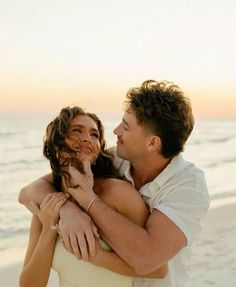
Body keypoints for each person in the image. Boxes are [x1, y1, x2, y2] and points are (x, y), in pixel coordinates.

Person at [19, 79, 210, 287]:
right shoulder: (115, 158)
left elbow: (150, 262)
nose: (115, 131)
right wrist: (66, 211)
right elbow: (29, 191)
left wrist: (89, 204)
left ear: (152, 142)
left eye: (126, 127)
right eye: (76, 131)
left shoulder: (188, 187)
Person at [19, 106, 167, 287]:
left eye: (94, 135)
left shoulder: (118, 192)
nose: (87, 139)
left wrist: (96, 256)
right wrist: (50, 227)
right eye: (76, 130)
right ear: (56, 142)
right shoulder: (49, 203)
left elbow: (158, 269)